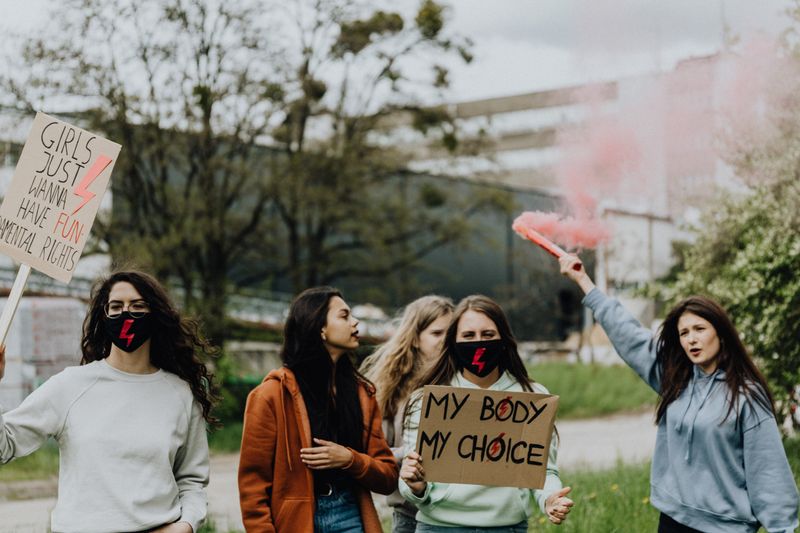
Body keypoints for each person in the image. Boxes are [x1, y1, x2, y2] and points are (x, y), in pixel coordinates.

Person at [559, 254, 799, 532]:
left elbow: (769, 471)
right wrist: (583, 279)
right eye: (684, 333)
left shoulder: (746, 396)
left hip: (725, 527)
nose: (691, 339)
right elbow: (629, 334)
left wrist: (782, 528)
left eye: (699, 329)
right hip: (673, 520)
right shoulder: (675, 378)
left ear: (721, 334)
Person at [0, 270, 216, 532]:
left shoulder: (179, 394)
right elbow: (5, 445)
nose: (126, 314)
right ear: (104, 315)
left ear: (156, 314)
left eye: (137, 306)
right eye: (116, 307)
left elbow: (192, 481)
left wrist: (186, 525)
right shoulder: (70, 386)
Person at [399, 294, 574, 531]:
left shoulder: (532, 396)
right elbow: (412, 478)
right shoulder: (428, 399)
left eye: (488, 335)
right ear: (454, 342)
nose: (479, 343)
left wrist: (550, 498)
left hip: (507, 527)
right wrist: (415, 485)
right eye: (468, 336)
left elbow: (542, 469)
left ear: (503, 339)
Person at [238, 286, 399, 532]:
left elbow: (388, 477)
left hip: (349, 513)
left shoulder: (363, 395)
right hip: (294, 522)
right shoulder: (271, 395)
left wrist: (350, 459)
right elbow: (253, 485)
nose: (356, 322)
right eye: (344, 316)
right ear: (320, 327)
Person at [360, 295, 454, 533]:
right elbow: (375, 453)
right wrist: (415, 452)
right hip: (409, 513)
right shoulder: (391, 390)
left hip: (455, 513)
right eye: (437, 333)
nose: (446, 341)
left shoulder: (465, 384)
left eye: (451, 333)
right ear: (414, 339)